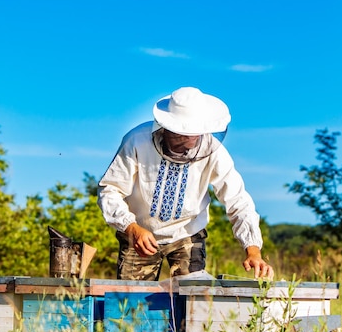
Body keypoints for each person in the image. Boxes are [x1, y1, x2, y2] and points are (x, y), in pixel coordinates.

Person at [97, 86, 274, 281]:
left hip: (187, 234)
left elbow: (238, 201)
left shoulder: (215, 152)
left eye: (189, 137)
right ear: (164, 127)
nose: (183, 143)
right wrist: (132, 228)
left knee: (191, 303)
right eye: (177, 136)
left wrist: (253, 250)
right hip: (139, 234)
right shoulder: (136, 140)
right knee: (131, 305)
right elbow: (110, 190)